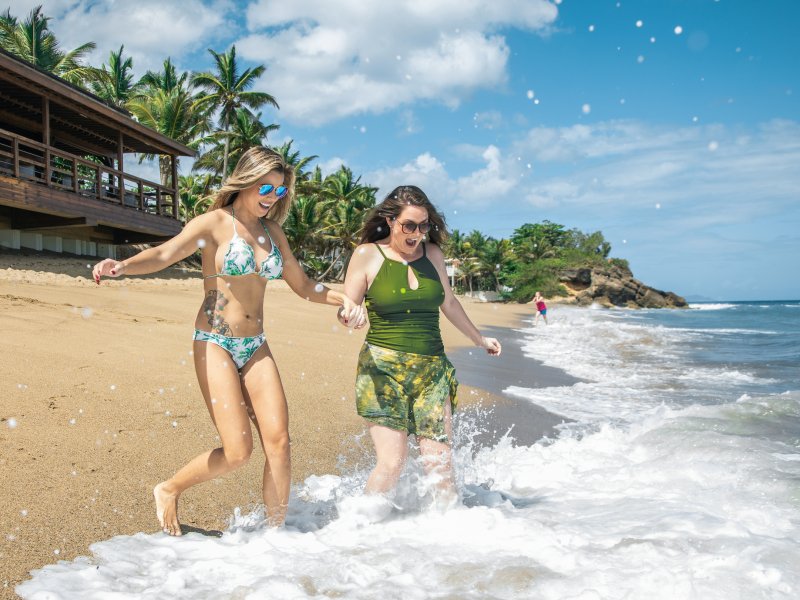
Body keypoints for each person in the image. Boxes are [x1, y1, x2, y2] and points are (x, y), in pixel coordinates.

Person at [92, 147, 363, 535]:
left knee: (280, 443)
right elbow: (165, 253)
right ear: (245, 180)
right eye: (265, 187)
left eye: (280, 191)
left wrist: (345, 300)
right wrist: (122, 267)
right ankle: (169, 489)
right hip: (214, 341)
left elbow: (304, 286)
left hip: (256, 344)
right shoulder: (213, 224)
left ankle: (276, 539)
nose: (271, 197)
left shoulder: (274, 233)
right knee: (238, 452)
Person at [341, 185, 501, 504]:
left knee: (439, 466)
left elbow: (450, 303)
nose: (417, 233)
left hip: (431, 371)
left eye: (423, 225)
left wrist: (479, 338)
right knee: (392, 463)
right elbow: (347, 305)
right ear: (389, 221)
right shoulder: (367, 255)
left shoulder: (433, 255)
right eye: (409, 225)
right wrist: (350, 315)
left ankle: (450, 540)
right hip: (382, 371)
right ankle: (358, 535)